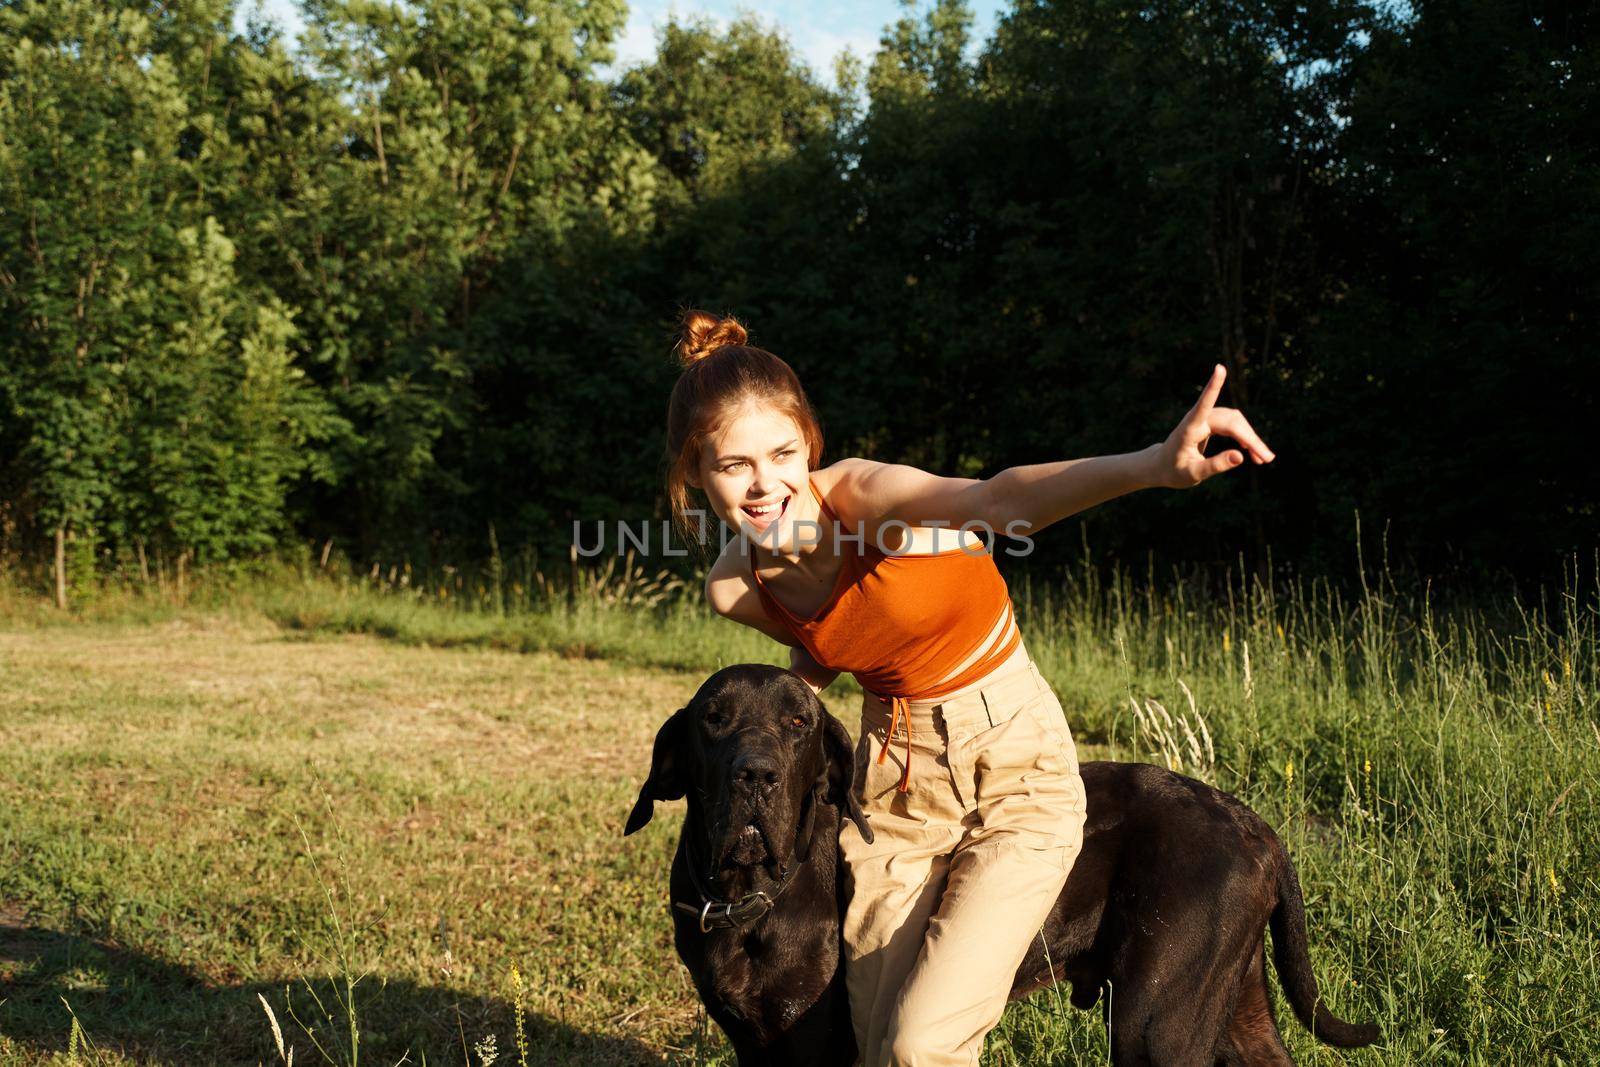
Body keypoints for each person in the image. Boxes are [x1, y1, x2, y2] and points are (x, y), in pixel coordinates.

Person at [662, 309, 1275, 1066]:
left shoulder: (868, 498)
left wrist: (1152, 464)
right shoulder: (734, 587)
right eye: (734, 465)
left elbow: (999, 501)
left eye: (783, 452)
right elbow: (828, 648)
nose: (765, 484)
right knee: (874, 1043)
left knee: (923, 1045)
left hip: (1009, 757)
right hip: (896, 783)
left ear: (809, 444)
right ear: (694, 470)